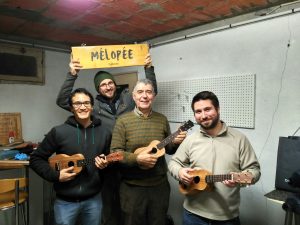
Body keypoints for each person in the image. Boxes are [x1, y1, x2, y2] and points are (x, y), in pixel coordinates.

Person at [56, 53, 157, 225]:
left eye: (110, 82)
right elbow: (62, 101)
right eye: (103, 85)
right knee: (109, 205)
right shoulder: (92, 108)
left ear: (114, 84)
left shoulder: (129, 98)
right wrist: (72, 74)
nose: (108, 86)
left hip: (129, 158)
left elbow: (151, 91)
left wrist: (148, 68)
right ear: (98, 89)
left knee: (131, 206)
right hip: (107, 162)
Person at [168, 91, 261, 225]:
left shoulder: (239, 139)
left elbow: (255, 171)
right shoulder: (191, 140)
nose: (203, 115)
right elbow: (174, 163)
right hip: (192, 215)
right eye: (198, 111)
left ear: (218, 109)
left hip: (227, 218)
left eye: (207, 109)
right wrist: (180, 172)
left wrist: (241, 179)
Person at [110, 78, 187, 225]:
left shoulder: (162, 119)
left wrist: (175, 143)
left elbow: (167, 149)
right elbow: (115, 153)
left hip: (159, 188)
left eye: (148, 92)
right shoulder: (122, 121)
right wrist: (136, 159)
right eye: (140, 92)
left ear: (154, 96)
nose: (144, 96)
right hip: (132, 188)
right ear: (134, 96)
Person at [30, 88, 111, 225]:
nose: (82, 107)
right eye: (77, 104)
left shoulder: (105, 132)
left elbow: (109, 162)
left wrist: (105, 165)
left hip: (94, 200)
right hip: (65, 202)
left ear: (92, 106)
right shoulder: (58, 132)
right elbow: (36, 159)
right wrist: (56, 176)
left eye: (86, 103)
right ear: (71, 108)